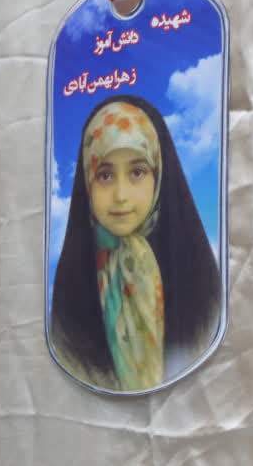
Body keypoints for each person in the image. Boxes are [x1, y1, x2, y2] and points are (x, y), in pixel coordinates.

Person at [49, 94, 222, 392]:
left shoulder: (195, 276)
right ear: (86, 181)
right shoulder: (74, 288)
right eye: (104, 175)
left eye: (137, 172)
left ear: (159, 174)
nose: (121, 195)